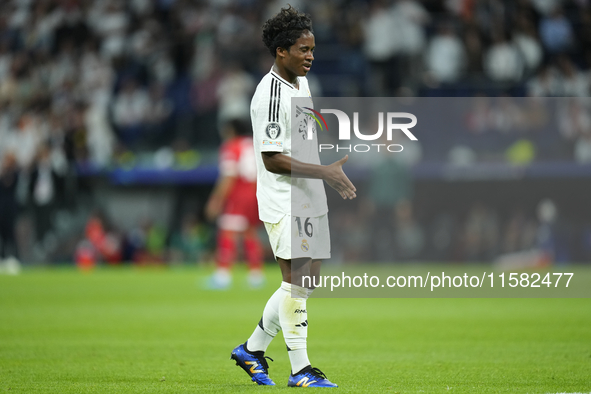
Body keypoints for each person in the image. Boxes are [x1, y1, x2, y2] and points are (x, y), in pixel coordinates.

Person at [229, 5, 356, 388]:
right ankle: (300, 369)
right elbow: (271, 159)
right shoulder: (269, 95)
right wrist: (325, 172)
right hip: (284, 197)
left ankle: (251, 350)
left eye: (313, 49)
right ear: (281, 51)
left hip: (308, 191)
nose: (311, 56)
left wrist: (321, 154)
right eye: (303, 49)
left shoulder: (300, 82)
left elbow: (301, 130)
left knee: (306, 281)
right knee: (297, 280)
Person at [205, 119, 265, 289]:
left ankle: (222, 276)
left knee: (227, 232)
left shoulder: (231, 146)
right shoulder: (254, 145)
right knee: (250, 233)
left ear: (230, 130)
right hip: (255, 192)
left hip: (239, 194)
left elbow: (229, 176)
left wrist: (216, 200)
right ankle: (256, 275)